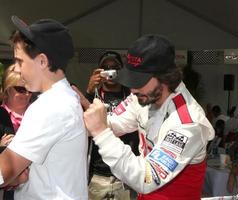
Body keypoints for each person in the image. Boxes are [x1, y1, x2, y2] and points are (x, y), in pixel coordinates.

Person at [84, 34, 215, 200]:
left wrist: (101, 133)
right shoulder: (143, 96)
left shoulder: (188, 122)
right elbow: (114, 123)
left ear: (165, 77)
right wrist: (86, 117)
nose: (132, 89)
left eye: (139, 80)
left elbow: (146, 178)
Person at [0, 16, 88, 200]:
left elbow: (6, 169)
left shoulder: (51, 106)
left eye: (19, 61)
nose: (15, 69)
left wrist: (13, 173)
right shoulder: (63, 99)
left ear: (42, 61)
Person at [84, 51, 139, 200]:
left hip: (126, 174)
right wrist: (89, 91)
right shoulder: (93, 95)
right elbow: (81, 123)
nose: (110, 71)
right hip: (98, 173)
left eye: (115, 67)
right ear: (98, 72)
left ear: (121, 71)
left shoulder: (132, 95)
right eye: (105, 67)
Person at [0, 64, 32, 200]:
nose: (27, 94)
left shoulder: (39, 113)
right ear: (7, 90)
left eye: (29, 89)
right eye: (20, 89)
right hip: (8, 190)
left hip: (37, 186)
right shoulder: (1, 116)